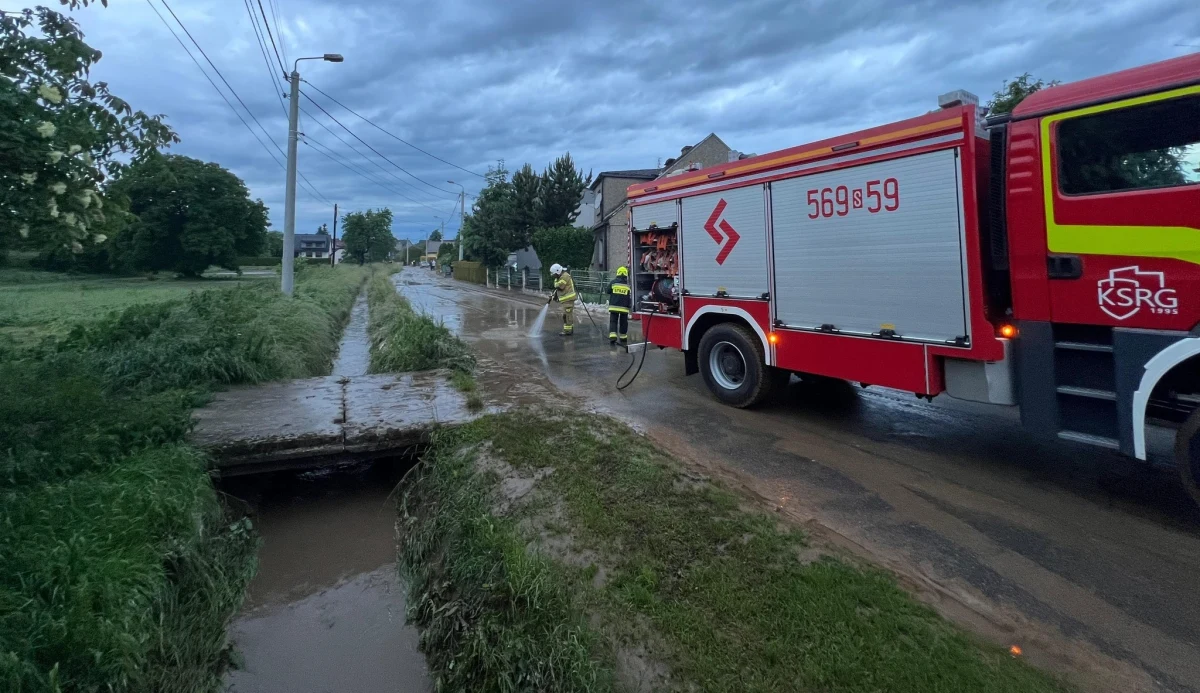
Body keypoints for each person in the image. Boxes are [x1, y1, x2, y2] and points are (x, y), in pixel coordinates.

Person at [547, 263, 576, 336]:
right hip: (566, 300)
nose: (554, 276)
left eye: (554, 274)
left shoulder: (565, 276)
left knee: (567, 316)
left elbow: (559, 286)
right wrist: (553, 297)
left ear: (558, 271)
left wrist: (556, 282)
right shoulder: (560, 277)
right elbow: (558, 290)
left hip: (568, 300)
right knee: (566, 315)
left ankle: (567, 331)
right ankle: (569, 329)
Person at [606, 266, 632, 345]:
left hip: (614, 306)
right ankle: (623, 337)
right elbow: (630, 296)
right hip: (624, 308)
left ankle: (613, 335)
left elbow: (608, 291)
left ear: (617, 273)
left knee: (613, 321)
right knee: (623, 322)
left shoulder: (613, 283)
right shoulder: (628, 285)